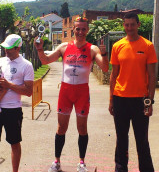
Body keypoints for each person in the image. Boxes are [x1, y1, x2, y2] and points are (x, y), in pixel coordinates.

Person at [34, 16, 109, 172]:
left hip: (82, 92)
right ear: (73, 30)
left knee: (82, 128)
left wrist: (105, 53)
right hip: (66, 92)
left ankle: (81, 162)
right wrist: (40, 49)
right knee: (61, 128)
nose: (80, 32)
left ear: (87, 30)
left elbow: (105, 68)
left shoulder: (92, 49)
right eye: (77, 29)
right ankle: (57, 161)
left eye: (83, 29)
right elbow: (46, 61)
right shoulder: (64, 47)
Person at [109, 13, 157, 172]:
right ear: (124, 25)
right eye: (126, 25)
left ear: (138, 25)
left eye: (132, 24)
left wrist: (149, 102)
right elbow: (114, 75)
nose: (129, 28)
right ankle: (120, 169)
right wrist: (111, 100)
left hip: (140, 100)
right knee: (121, 139)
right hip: (120, 98)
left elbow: (151, 75)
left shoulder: (147, 46)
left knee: (142, 140)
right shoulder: (117, 46)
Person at [0, 34, 34, 172]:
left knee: (14, 143)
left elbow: (29, 91)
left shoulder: (26, 65)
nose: (6, 51)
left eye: (9, 48)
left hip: (12, 109)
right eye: (4, 47)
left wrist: (9, 85)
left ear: (17, 48)